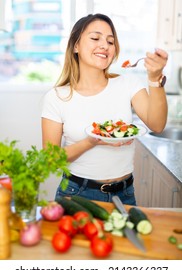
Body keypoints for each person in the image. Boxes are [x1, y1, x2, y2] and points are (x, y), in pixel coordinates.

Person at [41, 13, 168, 205]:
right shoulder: (57, 97)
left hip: (124, 194)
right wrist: (92, 141)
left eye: (110, 41)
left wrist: (155, 78)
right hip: (76, 194)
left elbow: (157, 125)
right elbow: (50, 159)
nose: (104, 45)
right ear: (76, 46)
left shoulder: (128, 84)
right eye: (95, 38)